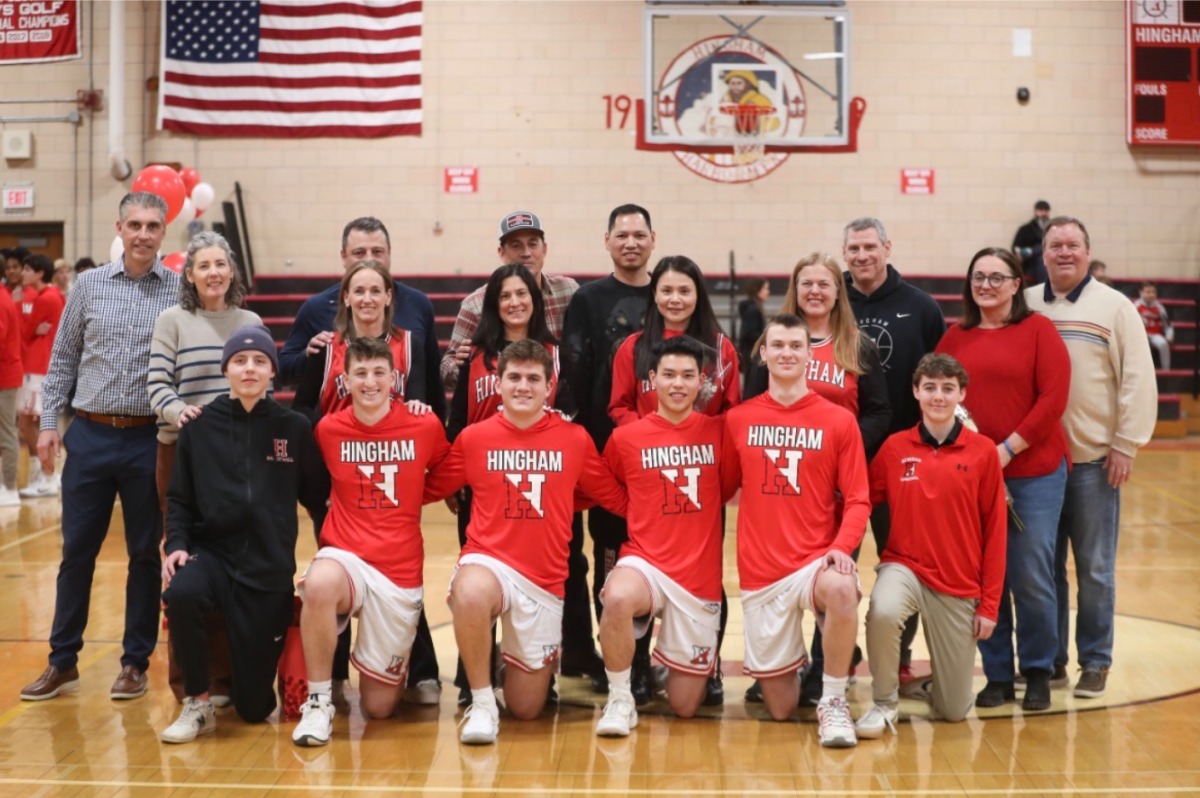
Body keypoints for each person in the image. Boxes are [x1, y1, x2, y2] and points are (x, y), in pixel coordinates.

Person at [423, 339, 628, 746]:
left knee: (527, 709)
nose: (523, 386)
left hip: (544, 581)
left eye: (534, 378)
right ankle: (481, 701)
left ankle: (507, 666)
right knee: (471, 592)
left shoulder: (574, 439)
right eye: (514, 377)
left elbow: (613, 497)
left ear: (549, 386)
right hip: (490, 561)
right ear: (497, 384)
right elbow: (424, 486)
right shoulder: (474, 438)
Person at [20, 192, 180, 702]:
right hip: (88, 435)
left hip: (149, 440)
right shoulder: (86, 287)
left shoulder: (179, 292)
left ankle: (135, 661)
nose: (143, 234)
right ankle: (61, 660)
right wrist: (49, 424)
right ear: (120, 227)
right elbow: (62, 361)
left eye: (152, 226)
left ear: (163, 232)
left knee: (143, 555)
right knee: (76, 554)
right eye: (134, 224)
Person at [159, 325, 329, 743]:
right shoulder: (199, 427)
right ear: (226, 370)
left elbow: (319, 500)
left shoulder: (294, 428)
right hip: (212, 556)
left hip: (268, 570)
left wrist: (331, 554)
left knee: (256, 710)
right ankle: (197, 703)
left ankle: (240, 687)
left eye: (259, 361)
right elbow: (179, 500)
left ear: (273, 371)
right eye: (239, 361)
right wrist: (177, 546)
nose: (249, 368)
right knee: (181, 592)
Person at [743, 251, 890, 703]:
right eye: (806, 283)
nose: (815, 291)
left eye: (824, 284)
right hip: (785, 478)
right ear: (795, 287)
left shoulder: (857, 343)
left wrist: (836, 454)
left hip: (840, 482)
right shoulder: (773, 340)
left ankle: (828, 671)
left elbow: (880, 411)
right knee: (782, 571)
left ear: (837, 291)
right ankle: (780, 664)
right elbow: (751, 411)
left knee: (832, 576)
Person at [292, 337, 450, 746]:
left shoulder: (424, 424)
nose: (370, 381)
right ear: (345, 380)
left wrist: (415, 493)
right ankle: (319, 701)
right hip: (346, 556)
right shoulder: (328, 429)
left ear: (395, 378)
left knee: (379, 708)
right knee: (320, 582)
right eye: (360, 373)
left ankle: (391, 669)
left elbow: (448, 472)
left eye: (379, 372)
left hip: (398, 570)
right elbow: (310, 483)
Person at [723, 314, 870, 748]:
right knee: (782, 709)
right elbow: (721, 489)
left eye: (796, 345)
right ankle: (796, 662)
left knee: (843, 589)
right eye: (778, 345)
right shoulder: (738, 420)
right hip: (761, 572)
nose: (787, 353)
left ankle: (833, 700)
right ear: (763, 354)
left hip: (814, 562)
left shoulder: (839, 420)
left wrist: (842, 547)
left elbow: (859, 498)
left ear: (810, 354)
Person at [1026, 216, 1158, 699]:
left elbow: (1138, 379)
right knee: (1043, 570)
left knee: (1094, 569)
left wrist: (1126, 443)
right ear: (1042, 254)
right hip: (1036, 466)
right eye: (1054, 244)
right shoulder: (1026, 304)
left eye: (1073, 245)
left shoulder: (1116, 307)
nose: (1064, 252)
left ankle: (1096, 662)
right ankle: (1051, 662)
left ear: (1087, 252)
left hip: (1092, 463)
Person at [936, 247, 1071, 711]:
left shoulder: (1038, 330)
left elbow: (1053, 399)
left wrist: (1007, 448)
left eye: (997, 277)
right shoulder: (953, 338)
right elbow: (941, 398)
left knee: (1030, 573)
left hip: (1033, 472)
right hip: (971, 477)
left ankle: (1036, 669)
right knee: (980, 577)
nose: (987, 285)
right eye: (979, 277)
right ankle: (996, 673)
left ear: (1017, 284)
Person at [607, 254, 738, 705]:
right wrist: (651, 441)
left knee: (706, 570)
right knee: (640, 575)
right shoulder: (634, 347)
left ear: (697, 295)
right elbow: (619, 407)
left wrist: (695, 442)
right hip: (648, 473)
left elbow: (732, 414)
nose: (675, 298)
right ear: (654, 295)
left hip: (701, 474)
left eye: (684, 290)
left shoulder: (722, 349)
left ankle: (710, 662)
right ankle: (638, 667)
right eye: (666, 290)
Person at [857, 353, 1007, 738]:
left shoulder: (984, 451)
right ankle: (884, 702)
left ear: (961, 394)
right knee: (884, 610)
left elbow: (996, 532)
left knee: (955, 711)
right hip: (903, 566)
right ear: (915, 391)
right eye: (930, 388)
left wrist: (989, 606)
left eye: (947, 388)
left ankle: (928, 685)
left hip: (957, 581)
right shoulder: (893, 448)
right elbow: (862, 500)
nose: (938, 397)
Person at [446, 262, 573, 705]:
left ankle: (541, 670)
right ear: (493, 306)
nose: (515, 303)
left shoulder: (556, 352)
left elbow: (570, 415)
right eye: (505, 296)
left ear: (535, 301)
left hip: (543, 490)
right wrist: (452, 481)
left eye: (522, 294)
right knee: (479, 585)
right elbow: (457, 422)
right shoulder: (475, 357)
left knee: (554, 579)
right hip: (485, 491)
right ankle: (472, 680)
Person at [596, 335, 732, 735]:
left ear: (701, 381)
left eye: (688, 375)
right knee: (617, 595)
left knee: (686, 708)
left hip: (698, 578)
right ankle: (620, 697)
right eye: (668, 374)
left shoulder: (720, 433)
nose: (677, 383)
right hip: (646, 562)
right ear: (651, 379)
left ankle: (668, 665)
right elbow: (609, 487)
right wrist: (638, 509)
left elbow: (728, 488)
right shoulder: (625, 438)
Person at [148, 231, 262, 704]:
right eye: (203, 265)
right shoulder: (172, 320)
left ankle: (229, 679)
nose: (213, 272)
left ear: (231, 271)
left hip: (236, 457)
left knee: (234, 564)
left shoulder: (250, 320)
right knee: (184, 565)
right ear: (189, 275)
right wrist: (182, 413)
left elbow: (262, 387)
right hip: (181, 453)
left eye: (221, 263)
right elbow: (156, 385)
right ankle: (191, 685)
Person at [842, 218, 943, 685]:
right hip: (837, 463)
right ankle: (833, 655)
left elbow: (941, 377)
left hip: (902, 462)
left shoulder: (920, 307)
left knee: (901, 561)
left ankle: (899, 658)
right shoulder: (829, 300)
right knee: (829, 561)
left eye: (869, 246)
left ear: (886, 248)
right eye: (853, 248)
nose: (862, 255)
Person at [562, 203, 656, 694]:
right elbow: (575, 374)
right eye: (622, 235)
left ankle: (650, 659)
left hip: (661, 458)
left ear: (652, 239)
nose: (631, 243)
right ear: (607, 241)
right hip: (606, 459)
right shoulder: (589, 298)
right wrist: (591, 452)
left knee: (658, 556)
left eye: (639, 234)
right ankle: (618, 660)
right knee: (610, 557)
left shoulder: (668, 293)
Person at [277, 218, 442, 419]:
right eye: (359, 253)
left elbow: (432, 380)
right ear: (343, 257)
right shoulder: (315, 309)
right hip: (339, 441)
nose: (368, 259)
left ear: (389, 254)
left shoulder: (418, 304)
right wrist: (307, 356)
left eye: (377, 252)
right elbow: (284, 372)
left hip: (398, 442)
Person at [440, 211, 578, 392]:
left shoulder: (567, 290)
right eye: (516, 245)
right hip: (501, 405)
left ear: (544, 249)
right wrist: (460, 366)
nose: (526, 253)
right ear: (502, 253)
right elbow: (446, 368)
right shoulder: (475, 304)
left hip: (557, 403)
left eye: (533, 244)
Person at [292, 260, 421, 418]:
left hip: (392, 441)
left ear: (388, 296)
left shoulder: (409, 345)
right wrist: (329, 429)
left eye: (375, 291)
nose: (367, 299)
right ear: (346, 297)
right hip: (338, 441)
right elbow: (300, 408)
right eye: (359, 291)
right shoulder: (326, 346)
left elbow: (416, 407)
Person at [16, 254, 65, 499]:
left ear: (39, 274)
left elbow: (21, 333)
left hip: (37, 366)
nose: (22, 274)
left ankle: (46, 476)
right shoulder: (50, 296)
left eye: (26, 269)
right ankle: (47, 477)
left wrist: (30, 327)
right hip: (40, 365)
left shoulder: (45, 299)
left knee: (28, 423)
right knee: (35, 423)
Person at [0, 281, 21, 508]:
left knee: (6, 433)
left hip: (5, 376)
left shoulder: (1, 299)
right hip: (5, 374)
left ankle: (10, 487)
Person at [1134, 281, 1173, 370]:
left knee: (1163, 344)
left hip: (1155, 334)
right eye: (1148, 292)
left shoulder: (1159, 308)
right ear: (1141, 293)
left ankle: (1166, 371)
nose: (1151, 295)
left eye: (1153, 292)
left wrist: (1169, 336)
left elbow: (1168, 325)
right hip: (1141, 335)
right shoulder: (1135, 306)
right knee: (1142, 346)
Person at [1013, 200, 1051, 285]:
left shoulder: (1053, 229)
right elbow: (1015, 248)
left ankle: (1031, 251)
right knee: (1041, 256)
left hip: (1050, 259)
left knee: (1045, 246)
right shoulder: (1025, 229)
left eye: (1046, 211)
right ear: (1035, 211)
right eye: (1041, 211)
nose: (1044, 213)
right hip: (1031, 263)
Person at [737, 278, 768, 379]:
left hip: (752, 354)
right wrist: (766, 337)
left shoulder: (754, 308)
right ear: (757, 290)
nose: (768, 292)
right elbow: (748, 333)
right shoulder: (753, 310)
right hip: (751, 355)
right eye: (766, 289)